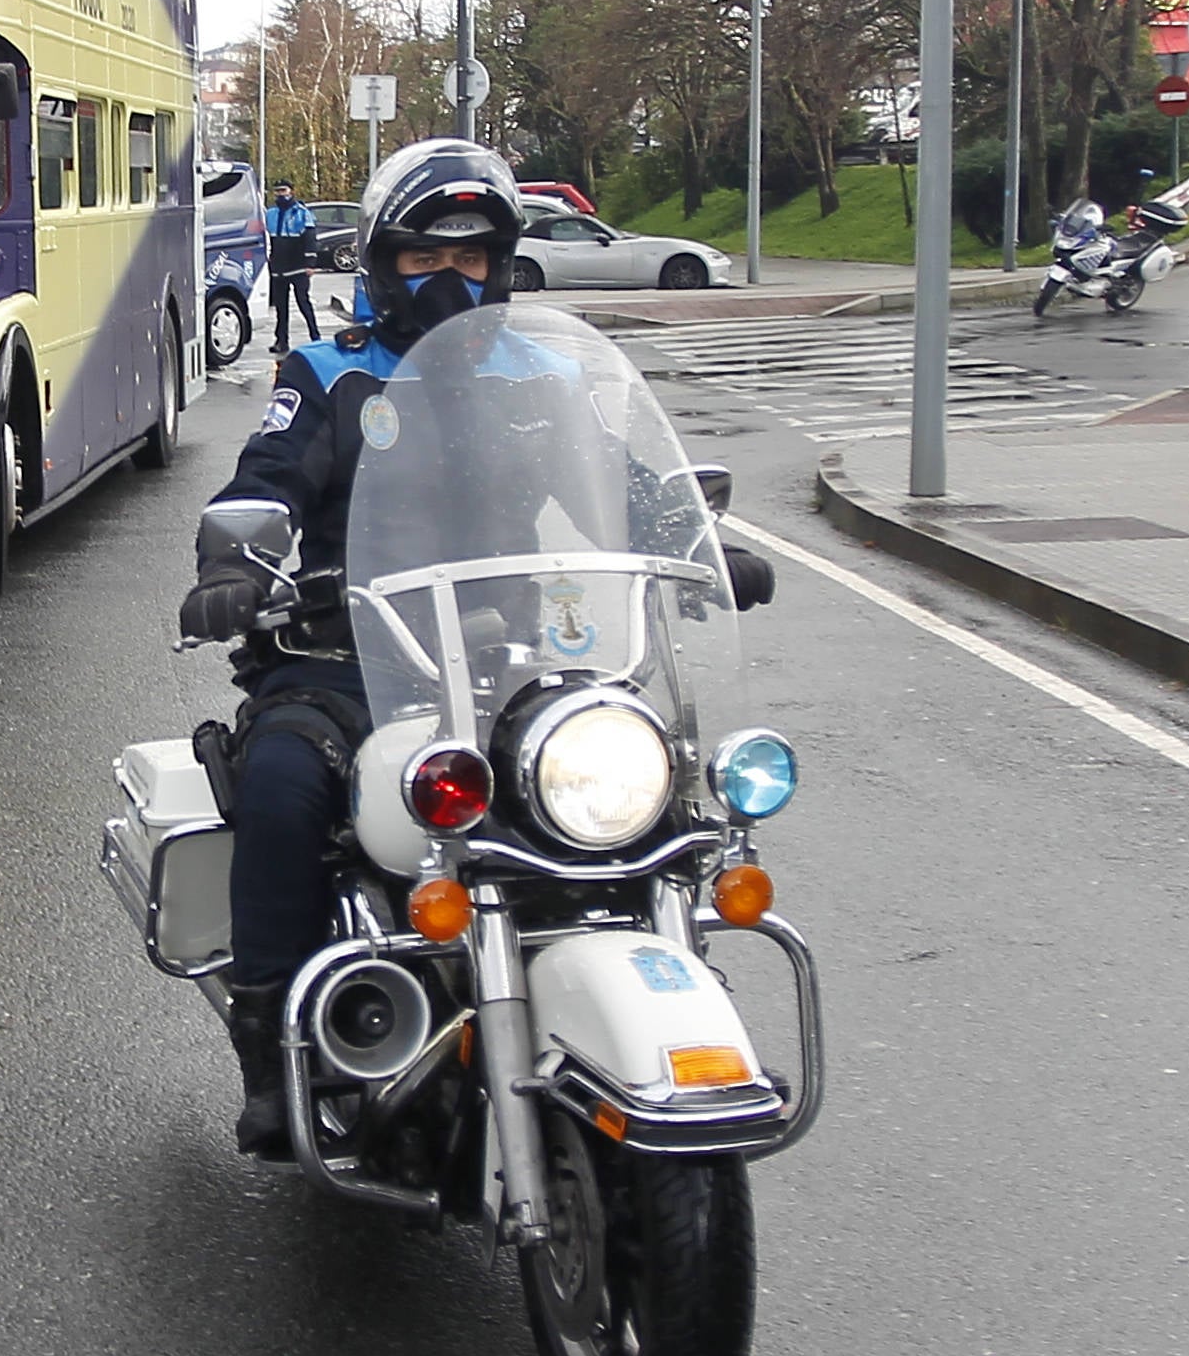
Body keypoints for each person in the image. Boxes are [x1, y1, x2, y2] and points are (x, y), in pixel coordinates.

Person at [174, 138, 771, 1157]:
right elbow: (262, 483)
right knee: (281, 786)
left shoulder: (540, 375)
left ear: (502, 265)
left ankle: (639, 990)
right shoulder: (331, 375)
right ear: (381, 264)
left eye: (473, 258)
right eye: (424, 257)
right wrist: (237, 559)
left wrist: (697, 538)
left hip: (517, 665)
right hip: (346, 657)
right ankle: (270, 1042)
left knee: (636, 790)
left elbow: (626, 481)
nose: (451, 279)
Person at [263, 179, 325, 344]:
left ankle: (315, 336)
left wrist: (310, 263)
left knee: (303, 301)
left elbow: (310, 239)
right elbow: (265, 237)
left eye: (283, 190)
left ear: (291, 191)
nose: (280, 194)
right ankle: (281, 340)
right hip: (278, 266)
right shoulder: (270, 213)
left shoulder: (301, 213)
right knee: (280, 307)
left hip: (298, 266)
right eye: (277, 191)